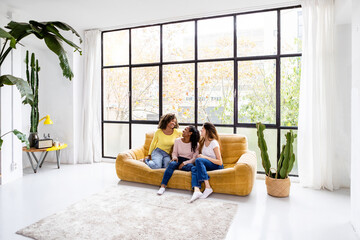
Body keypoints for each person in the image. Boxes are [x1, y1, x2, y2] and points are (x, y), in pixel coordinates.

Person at [157, 126, 200, 195]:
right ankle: (163, 186)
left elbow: (194, 158)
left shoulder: (196, 144)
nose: (183, 131)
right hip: (178, 159)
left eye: (185, 130)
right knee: (171, 164)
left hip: (188, 162)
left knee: (191, 167)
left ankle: (196, 188)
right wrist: (174, 157)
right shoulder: (177, 141)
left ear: (190, 133)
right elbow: (174, 153)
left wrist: (184, 163)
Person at [190, 122, 224, 203]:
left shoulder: (214, 143)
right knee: (194, 168)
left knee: (199, 160)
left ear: (207, 131)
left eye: (203, 128)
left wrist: (204, 157)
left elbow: (220, 162)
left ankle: (208, 187)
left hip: (217, 166)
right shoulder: (203, 142)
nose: (201, 130)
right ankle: (196, 190)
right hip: (208, 165)